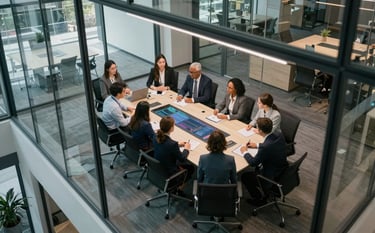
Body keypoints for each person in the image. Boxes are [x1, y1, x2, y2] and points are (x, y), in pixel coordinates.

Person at [240, 118, 288, 206]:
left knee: (245, 176)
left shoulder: (265, 148)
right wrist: (258, 145)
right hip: (282, 168)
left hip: (270, 175)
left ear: (260, 131)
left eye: (257, 128)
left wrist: (245, 152)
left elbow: (253, 163)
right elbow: (271, 145)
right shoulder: (279, 135)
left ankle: (258, 199)